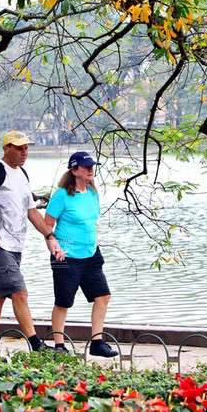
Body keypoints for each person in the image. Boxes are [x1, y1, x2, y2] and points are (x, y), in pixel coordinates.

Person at [0, 130, 62, 352]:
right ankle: (37, 346)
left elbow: (31, 211)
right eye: (19, 148)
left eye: (26, 148)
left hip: (16, 245)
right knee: (19, 292)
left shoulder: (22, 174)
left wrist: (49, 235)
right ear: (7, 149)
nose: (25, 152)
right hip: (1, 245)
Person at [44, 150, 118, 357]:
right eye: (86, 167)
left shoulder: (93, 193)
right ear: (74, 170)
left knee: (103, 296)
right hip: (65, 256)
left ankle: (97, 342)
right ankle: (59, 346)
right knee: (63, 302)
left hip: (91, 254)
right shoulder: (62, 195)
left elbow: (92, 222)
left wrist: (95, 242)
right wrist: (53, 244)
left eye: (92, 167)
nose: (90, 170)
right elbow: (47, 223)